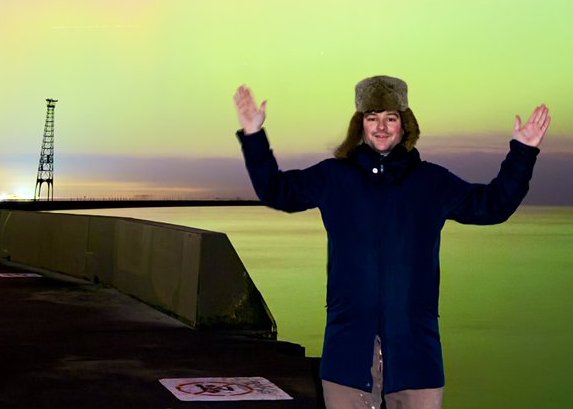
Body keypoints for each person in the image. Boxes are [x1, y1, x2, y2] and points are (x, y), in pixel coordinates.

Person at [234, 76, 550, 408]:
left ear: (404, 124)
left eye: (390, 118)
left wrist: (523, 151)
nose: (381, 127)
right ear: (360, 125)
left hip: (417, 356)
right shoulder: (334, 178)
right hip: (348, 354)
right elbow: (276, 190)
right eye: (372, 118)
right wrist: (254, 135)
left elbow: (493, 205)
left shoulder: (431, 182)